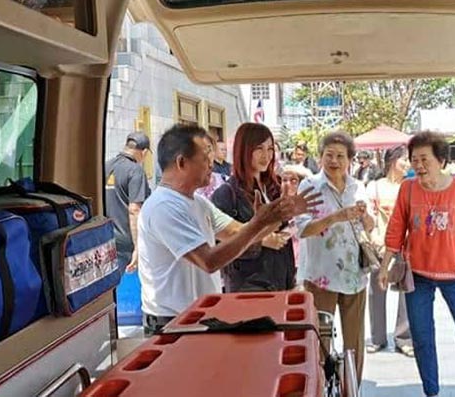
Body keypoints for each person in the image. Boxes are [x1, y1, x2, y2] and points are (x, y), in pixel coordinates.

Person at [137, 124, 321, 335]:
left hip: (202, 315)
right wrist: (260, 223)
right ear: (181, 162)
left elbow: (239, 233)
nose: (212, 164)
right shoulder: (164, 206)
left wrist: (278, 216)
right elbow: (209, 260)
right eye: (205, 158)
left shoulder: (199, 203)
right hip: (172, 320)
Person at [379, 131, 455, 397]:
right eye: (414, 159)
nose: (418, 165)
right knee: (422, 338)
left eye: (424, 159)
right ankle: (431, 391)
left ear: (441, 160)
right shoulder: (408, 188)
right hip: (418, 275)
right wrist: (385, 265)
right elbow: (396, 228)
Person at [295, 131, 374, 383]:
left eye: (341, 156)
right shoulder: (308, 186)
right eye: (329, 155)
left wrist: (365, 216)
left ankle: (352, 387)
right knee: (320, 340)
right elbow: (302, 229)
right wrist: (335, 217)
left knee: (354, 342)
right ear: (320, 157)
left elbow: (369, 226)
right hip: (321, 276)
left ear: (350, 159)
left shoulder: (357, 186)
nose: (334, 161)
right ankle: (320, 386)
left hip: (355, 276)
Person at [211, 123, 294, 292]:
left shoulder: (275, 187)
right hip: (248, 285)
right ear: (244, 149)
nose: (266, 155)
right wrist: (262, 241)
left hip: (281, 277)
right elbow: (220, 249)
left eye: (270, 149)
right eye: (259, 148)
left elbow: (284, 229)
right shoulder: (226, 194)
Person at [364, 145, 413, 357]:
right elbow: (369, 217)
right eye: (405, 160)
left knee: (407, 291)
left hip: (406, 246)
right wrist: (376, 240)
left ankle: (404, 338)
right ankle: (377, 337)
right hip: (380, 246)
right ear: (393, 161)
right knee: (377, 291)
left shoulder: (410, 187)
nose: (408, 164)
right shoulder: (374, 187)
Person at [104, 131, 151, 272]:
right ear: (144, 152)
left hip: (105, 236)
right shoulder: (136, 171)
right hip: (125, 242)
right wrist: (137, 247)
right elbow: (134, 209)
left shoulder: (106, 165)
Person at [279, 163, 313, 278]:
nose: (287, 184)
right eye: (284, 180)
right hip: (282, 262)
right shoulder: (275, 204)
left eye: (293, 181)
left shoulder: (309, 205)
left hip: (303, 261)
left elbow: (300, 228)